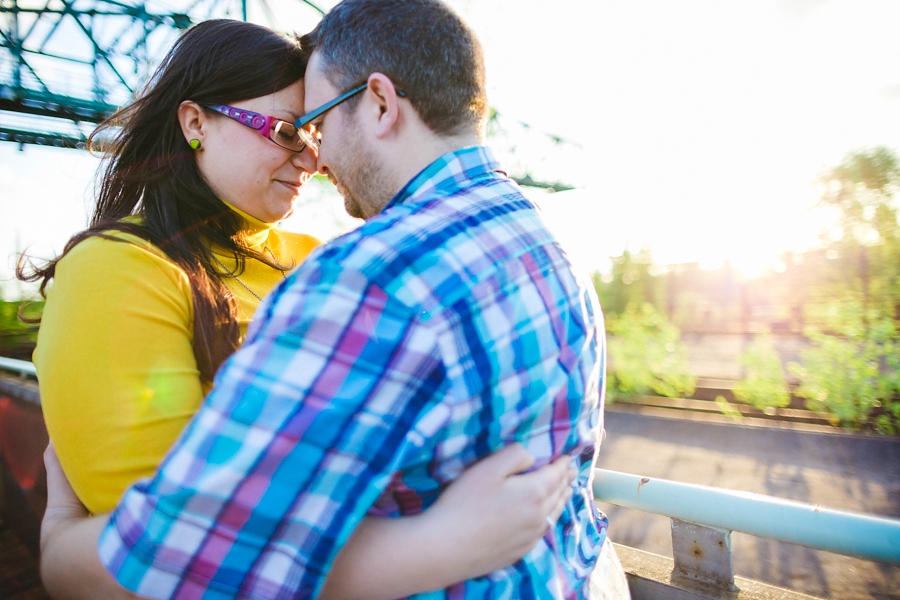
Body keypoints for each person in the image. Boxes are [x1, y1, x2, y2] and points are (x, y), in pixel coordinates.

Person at [28, 17, 579, 600]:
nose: (313, 160)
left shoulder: (325, 261)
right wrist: (436, 544)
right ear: (196, 124)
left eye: (316, 133)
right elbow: (185, 561)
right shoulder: (116, 271)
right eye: (289, 131)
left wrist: (62, 539)